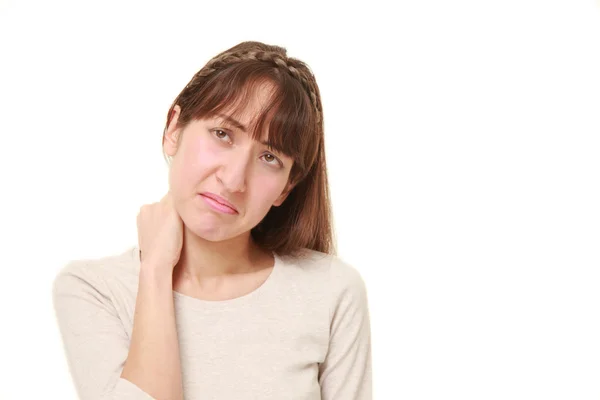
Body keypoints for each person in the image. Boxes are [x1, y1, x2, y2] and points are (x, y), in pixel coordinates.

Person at [52, 40, 372, 400]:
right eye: (223, 134)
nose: (234, 180)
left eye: (269, 157)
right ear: (174, 128)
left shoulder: (331, 291)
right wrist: (155, 269)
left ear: (287, 187)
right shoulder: (95, 290)